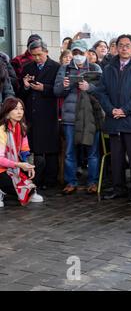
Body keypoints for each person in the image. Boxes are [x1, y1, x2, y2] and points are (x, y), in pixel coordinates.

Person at [96, 34, 131, 202]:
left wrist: (125, 110)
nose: (124, 48)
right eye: (121, 45)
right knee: (116, 157)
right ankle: (118, 188)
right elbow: (101, 91)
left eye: (127, 45)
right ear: (116, 48)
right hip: (114, 118)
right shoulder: (108, 68)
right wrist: (111, 109)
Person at [54, 40, 103, 195]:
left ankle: (93, 182)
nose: (77, 56)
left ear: (87, 53)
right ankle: (71, 182)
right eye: (74, 53)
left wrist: (90, 87)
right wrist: (65, 85)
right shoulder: (64, 68)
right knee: (69, 151)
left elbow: (103, 91)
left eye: (80, 53)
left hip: (90, 116)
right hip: (70, 116)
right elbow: (56, 91)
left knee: (92, 151)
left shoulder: (95, 68)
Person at [19, 40, 60, 190]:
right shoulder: (27, 67)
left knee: (50, 149)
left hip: (48, 113)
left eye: (39, 55)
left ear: (46, 52)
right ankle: (37, 179)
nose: (37, 58)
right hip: (32, 114)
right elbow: (20, 94)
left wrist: (45, 88)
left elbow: (59, 90)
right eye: (34, 56)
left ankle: (51, 180)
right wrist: (25, 85)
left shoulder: (55, 67)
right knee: (35, 149)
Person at [0, 98, 45, 207]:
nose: (19, 112)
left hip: (15, 165)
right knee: (5, 179)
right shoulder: (2, 130)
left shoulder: (22, 128)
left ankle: (31, 190)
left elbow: (25, 151)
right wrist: (19, 164)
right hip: (2, 168)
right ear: (7, 112)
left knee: (39, 161)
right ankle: (2, 191)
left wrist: (29, 166)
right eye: (16, 109)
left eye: (21, 109)